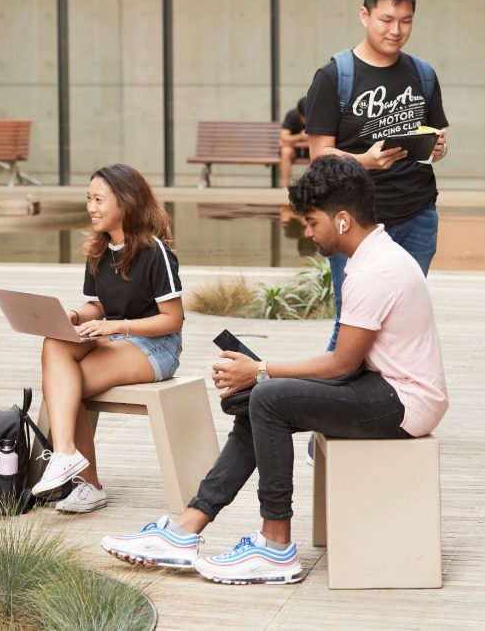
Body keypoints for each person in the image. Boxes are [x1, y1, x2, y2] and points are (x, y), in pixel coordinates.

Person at [100, 156, 448, 585]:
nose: (306, 231)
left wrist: (260, 369)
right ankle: (187, 527)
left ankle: (276, 545)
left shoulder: (375, 271)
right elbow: (346, 362)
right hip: (382, 386)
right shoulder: (372, 256)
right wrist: (260, 376)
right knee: (258, 400)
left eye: (311, 221)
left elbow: (343, 361)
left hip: (404, 403)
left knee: (267, 396)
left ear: (342, 220)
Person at [305, 0, 449, 352]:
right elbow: (319, 154)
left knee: (405, 322)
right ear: (364, 15)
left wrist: (436, 147)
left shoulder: (423, 73)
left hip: (417, 215)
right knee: (352, 322)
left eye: (406, 21)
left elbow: (434, 136)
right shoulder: (335, 75)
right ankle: (333, 403)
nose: (396, 30)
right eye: (386, 20)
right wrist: (364, 161)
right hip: (356, 223)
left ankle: (392, 406)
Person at [31, 164, 184, 512]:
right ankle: (69, 456)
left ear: (126, 202)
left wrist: (117, 327)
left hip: (156, 346)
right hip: (116, 338)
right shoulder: (98, 249)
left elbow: (174, 319)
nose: (91, 208)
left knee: (66, 384)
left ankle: (84, 478)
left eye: (99, 199)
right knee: (55, 344)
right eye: (88, 199)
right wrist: (70, 317)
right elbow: (97, 304)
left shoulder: (154, 250)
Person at [279, 97, 308, 187]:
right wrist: (300, 136)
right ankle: (285, 186)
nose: (307, 120)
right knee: (285, 151)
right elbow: (283, 137)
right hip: (295, 150)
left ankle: (316, 188)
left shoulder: (318, 116)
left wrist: (292, 142)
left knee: (321, 152)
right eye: (304, 117)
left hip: (311, 149)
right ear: (298, 112)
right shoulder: (292, 115)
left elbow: (320, 142)